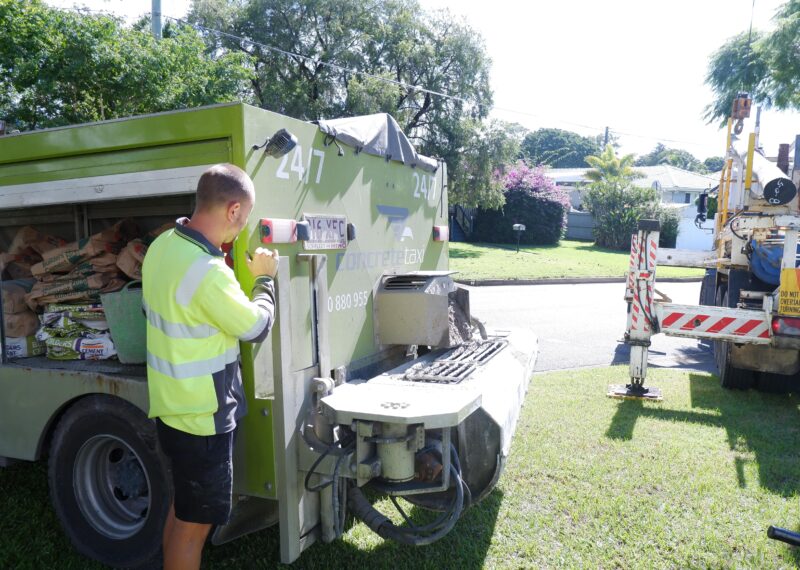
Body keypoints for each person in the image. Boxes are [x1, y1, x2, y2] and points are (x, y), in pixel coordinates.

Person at [142, 164, 278, 570]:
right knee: (194, 527)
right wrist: (264, 280)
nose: (241, 229)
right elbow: (256, 327)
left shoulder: (163, 245)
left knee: (183, 512)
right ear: (233, 210)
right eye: (245, 218)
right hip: (203, 421)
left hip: (171, 409)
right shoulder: (208, 272)